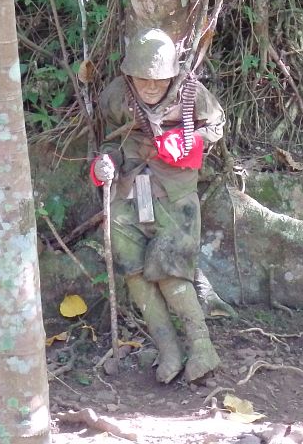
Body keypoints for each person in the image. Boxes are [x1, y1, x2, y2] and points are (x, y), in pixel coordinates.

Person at [91, 28, 224, 383]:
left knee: (170, 270)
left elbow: (217, 125)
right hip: (128, 189)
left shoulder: (191, 94)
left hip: (175, 192)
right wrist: (105, 162)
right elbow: (110, 140)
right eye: (142, 79)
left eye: (158, 80)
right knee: (134, 272)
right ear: (128, 75)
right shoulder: (116, 97)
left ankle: (202, 348)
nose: (150, 87)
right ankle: (168, 349)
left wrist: (188, 140)